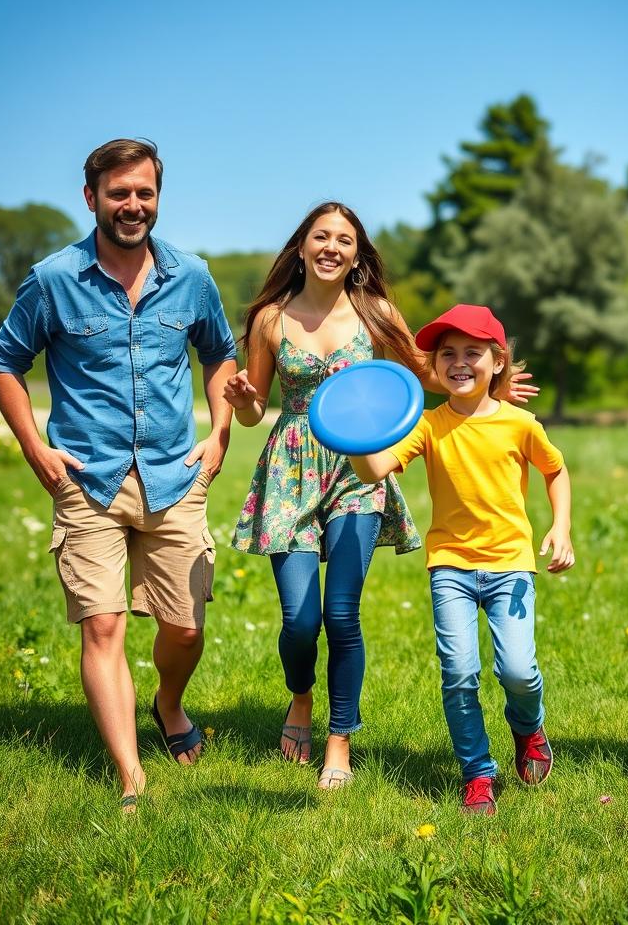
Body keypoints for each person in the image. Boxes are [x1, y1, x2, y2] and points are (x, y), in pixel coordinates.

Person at [225, 203, 537, 791]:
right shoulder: (271, 318)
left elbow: (431, 372)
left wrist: (495, 379)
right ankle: (300, 699)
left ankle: (338, 741)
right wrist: (242, 397)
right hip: (291, 466)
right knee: (299, 620)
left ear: (356, 253)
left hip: (359, 472)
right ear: (301, 246)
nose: (332, 247)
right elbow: (252, 412)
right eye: (321, 236)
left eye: (345, 239)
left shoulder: (377, 314)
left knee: (341, 614)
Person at [0, 139, 237, 811]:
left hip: (173, 475)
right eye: (120, 193)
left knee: (185, 628)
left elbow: (218, 353)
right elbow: (5, 361)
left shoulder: (192, 275)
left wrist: (218, 434)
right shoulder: (53, 278)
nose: (133, 206)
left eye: (145, 193)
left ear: (159, 197)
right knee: (103, 627)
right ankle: (131, 775)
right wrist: (35, 447)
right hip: (87, 477)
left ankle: (167, 701)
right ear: (91, 196)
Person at [350, 304, 573, 815]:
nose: (459, 362)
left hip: (511, 563)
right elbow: (375, 469)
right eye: (447, 354)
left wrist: (560, 527)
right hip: (449, 563)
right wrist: (357, 438)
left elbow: (556, 471)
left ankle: (527, 727)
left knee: (517, 670)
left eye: (473, 352)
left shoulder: (520, 424)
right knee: (459, 673)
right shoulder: (428, 424)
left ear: (498, 361)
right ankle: (478, 774)